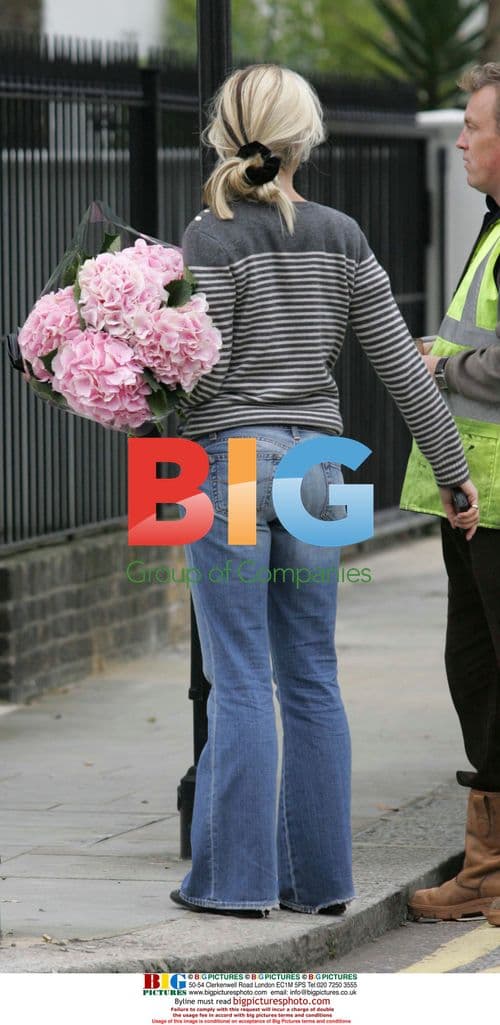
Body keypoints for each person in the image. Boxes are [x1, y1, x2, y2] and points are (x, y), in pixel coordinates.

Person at [169, 63, 478, 918]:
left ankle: (234, 885)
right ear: (305, 139)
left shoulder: (210, 236)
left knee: (240, 678)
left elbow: (203, 380)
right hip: (323, 469)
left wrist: (144, 383)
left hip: (232, 464)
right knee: (311, 675)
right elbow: (403, 369)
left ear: (225, 135)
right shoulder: (342, 234)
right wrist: (453, 472)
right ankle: (320, 883)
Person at [401, 63, 500, 924]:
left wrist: (442, 364)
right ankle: (487, 869)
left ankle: (490, 869)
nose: (461, 140)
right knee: (476, 673)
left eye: (473, 126)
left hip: (497, 500)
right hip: (474, 497)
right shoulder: (493, 227)